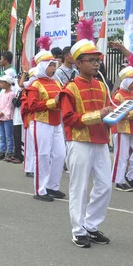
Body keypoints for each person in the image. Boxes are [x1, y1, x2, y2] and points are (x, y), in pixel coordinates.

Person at [60, 38, 114, 248]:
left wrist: (120, 111)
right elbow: (69, 118)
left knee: (104, 186)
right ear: (78, 63)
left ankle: (91, 225)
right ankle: (78, 229)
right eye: (91, 60)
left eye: (97, 60)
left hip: (100, 140)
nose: (96, 64)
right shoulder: (69, 89)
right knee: (79, 186)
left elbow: (109, 108)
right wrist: (98, 114)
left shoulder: (102, 86)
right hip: (80, 141)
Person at [26, 48, 65, 202]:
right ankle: (40, 190)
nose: (54, 68)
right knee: (42, 155)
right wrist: (53, 102)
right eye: (50, 65)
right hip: (41, 123)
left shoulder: (57, 82)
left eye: (54, 65)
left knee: (60, 154)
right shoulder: (34, 84)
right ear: (42, 66)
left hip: (56, 123)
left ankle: (52, 187)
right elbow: (32, 106)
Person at [111, 66, 133, 192]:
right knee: (122, 155)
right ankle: (119, 180)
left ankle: (131, 177)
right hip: (121, 128)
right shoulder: (118, 95)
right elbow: (117, 112)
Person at [0, 75, 15, 161]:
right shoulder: (2, 92)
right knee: (2, 135)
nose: (1, 83)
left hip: (7, 117)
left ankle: (9, 152)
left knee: (8, 136)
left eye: (2, 82)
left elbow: (9, 106)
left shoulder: (11, 94)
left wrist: (0, 114)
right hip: (0, 116)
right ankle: (2, 151)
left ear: (7, 83)